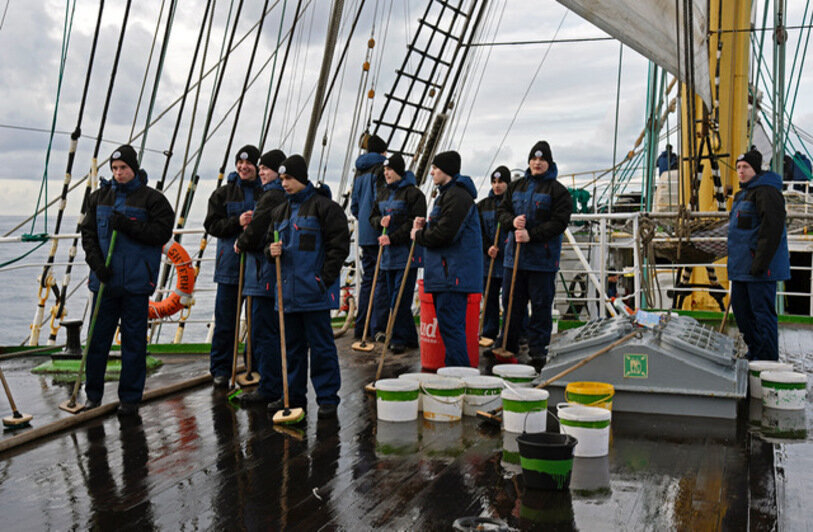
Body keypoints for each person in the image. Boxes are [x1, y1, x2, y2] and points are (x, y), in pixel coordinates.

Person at [81, 145, 174, 415]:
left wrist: (129, 226)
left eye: (123, 168)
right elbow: (87, 235)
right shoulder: (98, 198)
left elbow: (161, 233)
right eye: (114, 169)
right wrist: (97, 265)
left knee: (134, 342)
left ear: (133, 169)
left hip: (135, 282)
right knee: (97, 341)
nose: (118, 173)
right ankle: (93, 395)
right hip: (105, 282)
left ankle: (130, 398)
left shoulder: (152, 200)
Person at [267, 154, 350, 419]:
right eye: (281, 179)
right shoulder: (279, 212)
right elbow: (268, 245)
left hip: (313, 293)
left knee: (322, 347)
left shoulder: (325, 208)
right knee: (291, 349)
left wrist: (323, 280)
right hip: (287, 294)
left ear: (301, 178)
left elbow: (339, 247)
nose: (284, 184)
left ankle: (327, 397)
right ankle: (293, 395)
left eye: (289, 178)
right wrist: (271, 251)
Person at [495, 141, 571, 368]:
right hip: (514, 259)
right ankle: (508, 346)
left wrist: (532, 235)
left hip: (542, 261)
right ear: (529, 161)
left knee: (540, 306)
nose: (537, 163)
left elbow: (559, 223)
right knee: (510, 304)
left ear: (549, 163)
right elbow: (502, 212)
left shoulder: (558, 192)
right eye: (534, 159)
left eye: (542, 160)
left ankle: (538, 350)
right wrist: (512, 221)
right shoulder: (516, 187)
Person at [411, 151, 482, 367]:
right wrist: (426, 227)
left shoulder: (458, 197)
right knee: (450, 328)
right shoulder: (447, 195)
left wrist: (419, 235)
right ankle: (455, 373)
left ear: (447, 170)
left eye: (435, 167)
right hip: (447, 273)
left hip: (452, 275)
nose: (431, 172)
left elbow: (447, 234)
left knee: (452, 328)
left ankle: (460, 375)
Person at [204, 144, 263, 388]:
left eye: (248, 163)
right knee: (226, 321)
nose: (243, 167)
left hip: (258, 268)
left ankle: (255, 367)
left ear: (257, 167)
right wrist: (236, 222)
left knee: (258, 322)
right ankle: (221, 369)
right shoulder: (223, 194)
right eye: (240, 163)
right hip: (229, 266)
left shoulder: (266, 194)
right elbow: (212, 225)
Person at [234, 149, 287, 405]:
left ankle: (270, 387)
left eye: (266, 168)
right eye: (261, 168)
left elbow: (256, 232)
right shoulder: (280, 195)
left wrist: (241, 242)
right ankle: (273, 383)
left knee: (263, 331)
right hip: (266, 275)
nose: (262, 172)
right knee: (269, 331)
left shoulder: (271, 196)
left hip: (261, 275)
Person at [727, 149, 790, 361]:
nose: (741, 172)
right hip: (741, 269)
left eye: (745, 167)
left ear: (755, 169)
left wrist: (760, 264)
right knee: (742, 313)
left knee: (762, 314)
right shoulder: (743, 194)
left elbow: (772, 228)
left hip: (759, 269)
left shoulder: (767, 192)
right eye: (738, 168)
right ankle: (756, 351)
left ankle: (767, 360)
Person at [369, 153, 425, 353]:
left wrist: (393, 238)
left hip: (406, 254)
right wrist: (379, 222)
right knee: (387, 296)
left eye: (390, 170)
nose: (386, 173)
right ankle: (409, 337)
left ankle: (399, 338)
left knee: (400, 298)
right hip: (387, 256)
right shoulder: (383, 193)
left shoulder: (414, 194)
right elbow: (373, 215)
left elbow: (414, 222)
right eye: (385, 170)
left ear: (399, 171)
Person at [350, 133, 389, 341]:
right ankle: (377, 328)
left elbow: (354, 206)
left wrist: (365, 220)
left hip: (364, 233)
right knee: (381, 279)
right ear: (383, 152)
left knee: (367, 280)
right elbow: (382, 201)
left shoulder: (360, 172)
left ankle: (361, 326)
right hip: (379, 231)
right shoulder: (381, 170)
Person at [477, 165, 511, 342]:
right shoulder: (482, 206)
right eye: (494, 182)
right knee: (489, 297)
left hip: (507, 260)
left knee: (510, 298)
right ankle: (489, 331)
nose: (497, 186)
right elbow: (478, 231)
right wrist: (488, 247)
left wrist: (503, 249)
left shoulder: (512, 204)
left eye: (501, 182)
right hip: (488, 260)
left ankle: (510, 332)